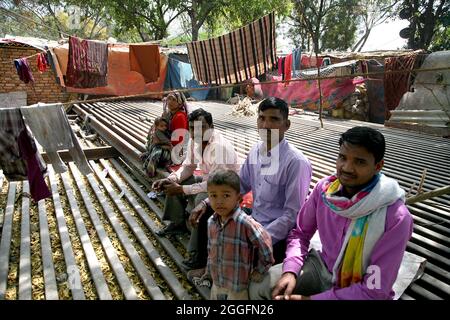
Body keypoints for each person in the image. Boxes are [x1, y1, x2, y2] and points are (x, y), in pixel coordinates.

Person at [249, 126, 414, 300]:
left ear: (378, 166)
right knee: (260, 286)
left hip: (358, 287)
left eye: (359, 162)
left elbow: (374, 290)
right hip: (321, 267)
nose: (347, 168)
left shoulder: (395, 217)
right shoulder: (324, 191)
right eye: (342, 157)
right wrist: (291, 270)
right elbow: (300, 234)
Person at [190, 96, 312, 269]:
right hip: (254, 219)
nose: (266, 125)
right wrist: (206, 201)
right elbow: (240, 185)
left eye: (274, 119)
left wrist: (258, 236)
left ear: (287, 125)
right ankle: (204, 266)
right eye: (262, 118)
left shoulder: (296, 162)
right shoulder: (256, 150)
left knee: (243, 256)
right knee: (208, 211)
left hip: (276, 233)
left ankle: (222, 274)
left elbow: (292, 216)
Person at [152, 108, 240, 269]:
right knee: (174, 184)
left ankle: (198, 253)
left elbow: (215, 185)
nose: (196, 132)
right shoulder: (194, 140)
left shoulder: (219, 147)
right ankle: (177, 223)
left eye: (202, 127)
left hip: (225, 188)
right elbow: (188, 166)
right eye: (192, 128)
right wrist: (171, 179)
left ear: (211, 127)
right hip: (209, 180)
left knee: (201, 200)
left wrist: (182, 190)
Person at [198, 169, 274, 300]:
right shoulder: (211, 222)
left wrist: (261, 269)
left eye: (226, 195)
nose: (219, 201)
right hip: (218, 281)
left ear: (238, 198)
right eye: (213, 196)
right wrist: (208, 272)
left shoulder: (244, 223)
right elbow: (211, 250)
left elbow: (265, 242)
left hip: (238, 287)